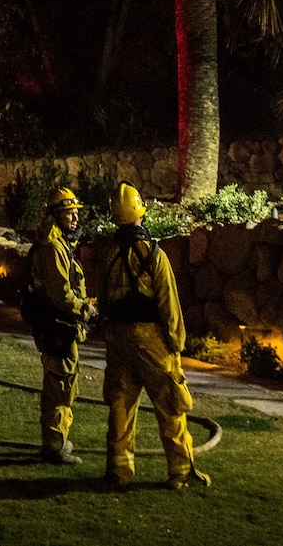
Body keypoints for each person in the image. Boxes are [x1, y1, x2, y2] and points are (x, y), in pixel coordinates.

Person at [100, 183, 208, 490]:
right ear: (139, 215)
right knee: (172, 406)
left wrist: (110, 333)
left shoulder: (107, 254)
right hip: (152, 342)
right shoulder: (154, 255)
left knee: (121, 408)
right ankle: (181, 472)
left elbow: (105, 301)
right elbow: (169, 304)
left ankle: (119, 472)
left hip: (119, 340)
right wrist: (177, 343)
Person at [22, 186, 90, 464]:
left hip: (60, 325)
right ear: (55, 215)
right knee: (59, 387)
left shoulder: (59, 243)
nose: (74, 218)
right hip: (57, 326)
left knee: (64, 384)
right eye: (68, 213)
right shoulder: (52, 248)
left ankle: (57, 439)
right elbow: (61, 294)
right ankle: (54, 446)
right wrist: (86, 309)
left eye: (75, 213)